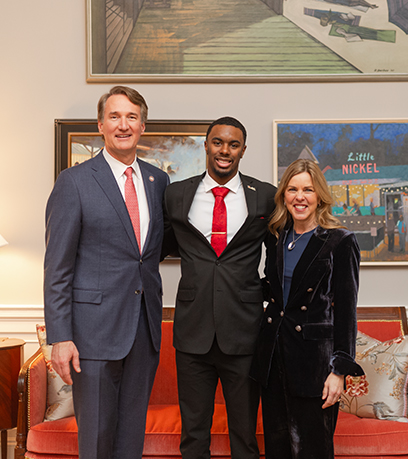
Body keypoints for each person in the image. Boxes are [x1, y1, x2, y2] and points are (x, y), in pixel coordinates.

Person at [44, 86, 169, 459]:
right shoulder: (75, 181)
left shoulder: (157, 181)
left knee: (132, 437)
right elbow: (57, 267)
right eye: (114, 116)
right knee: (97, 439)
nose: (123, 124)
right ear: (100, 125)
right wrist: (60, 337)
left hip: (144, 329)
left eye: (131, 117)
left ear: (143, 126)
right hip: (91, 335)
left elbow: (148, 254)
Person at [162, 116, 276, 459]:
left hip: (243, 331)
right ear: (206, 145)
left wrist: (264, 296)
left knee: (244, 435)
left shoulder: (265, 196)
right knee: (193, 435)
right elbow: (163, 244)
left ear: (242, 150)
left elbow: (277, 257)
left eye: (233, 144)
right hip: (192, 332)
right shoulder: (177, 194)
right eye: (218, 142)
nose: (224, 150)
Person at [250, 159, 364, 459]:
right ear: (283, 196)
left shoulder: (340, 241)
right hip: (273, 358)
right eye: (292, 189)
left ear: (319, 196)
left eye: (308, 190)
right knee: (277, 449)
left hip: (315, 364)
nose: (300, 197)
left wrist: (339, 371)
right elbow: (274, 291)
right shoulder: (276, 237)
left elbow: (346, 312)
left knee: (313, 449)